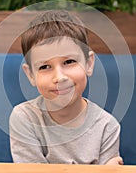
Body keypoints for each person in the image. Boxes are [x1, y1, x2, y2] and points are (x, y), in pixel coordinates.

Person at [9, 10, 123, 165]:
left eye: (69, 62)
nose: (60, 77)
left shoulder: (107, 127)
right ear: (30, 75)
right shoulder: (24, 118)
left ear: (88, 64)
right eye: (45, 66)